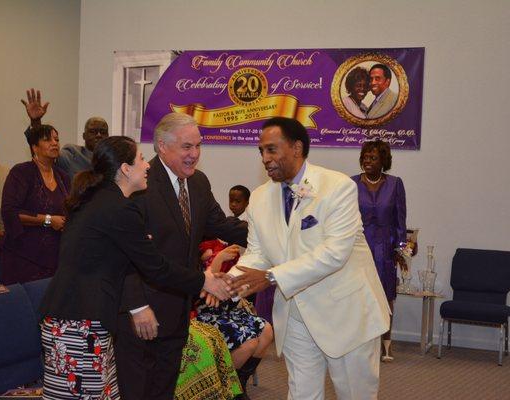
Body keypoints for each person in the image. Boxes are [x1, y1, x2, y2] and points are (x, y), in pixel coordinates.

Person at [39, 136, 231, 400]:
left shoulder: (101, 200)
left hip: (79, 317)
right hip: (79, 321)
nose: (147, 166)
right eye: (140, 159)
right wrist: (204, 281)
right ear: (126, 169)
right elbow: (156, 267)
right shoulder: (117, 208)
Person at [229, 117, 390, 400]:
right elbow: (257, 252)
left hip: (346, 312)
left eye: (271, 150)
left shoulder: (337, 186)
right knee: (302, 394)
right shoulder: (259, 197)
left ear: (296, 147)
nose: (265, 159)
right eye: (261, 152)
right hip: (295, 314)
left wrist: (270, 277)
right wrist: (228, 282)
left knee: (355, 394)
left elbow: (334, 253)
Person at [115, 112, 248, 400]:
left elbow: (220, 224)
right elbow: (124, 254)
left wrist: (273, 235)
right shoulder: (140, 185)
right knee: (138, 391)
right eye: (187, 147)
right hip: (144, 312)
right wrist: (137, 305)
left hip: (179, 308)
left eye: (198, 146)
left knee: (164, 389)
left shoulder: (198, 183)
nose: (195, 154)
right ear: (162, 146)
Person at [351, 140, 408, 362]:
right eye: (365, 157)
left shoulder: (395, 184)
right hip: (358, 246)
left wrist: (401, 250)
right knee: (357, 294)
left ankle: (386, 344)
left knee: (385, 295)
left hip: (384, 247)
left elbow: (400, 221)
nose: (367, 161)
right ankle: (358, 342)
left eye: (372, 157)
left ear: (383, 161)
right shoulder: (351, 183)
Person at [196, 241, 274, 399]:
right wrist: (218, 259)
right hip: (201, 313)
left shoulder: (220, 244)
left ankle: (239, 383)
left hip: (224, 308)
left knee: (266, 330)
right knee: (249, 342)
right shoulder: (195, 249)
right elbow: (200, 294)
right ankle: (228, 386)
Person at [0, 124, 70, 284]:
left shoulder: (63, 177)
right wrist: (48, 220)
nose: (55, 143)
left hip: (55, 256)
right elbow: (10, 212)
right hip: (24, 256)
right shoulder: (21, 172)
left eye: (57, 139)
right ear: (34, 147)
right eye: (48, 139)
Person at [21, 88, 109, 180]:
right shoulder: (72, 154)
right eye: (93, 132)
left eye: (103, 132)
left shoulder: (114, 160)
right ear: (84, 136)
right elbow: (44, 155)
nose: (99, 135)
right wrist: (36, 122)